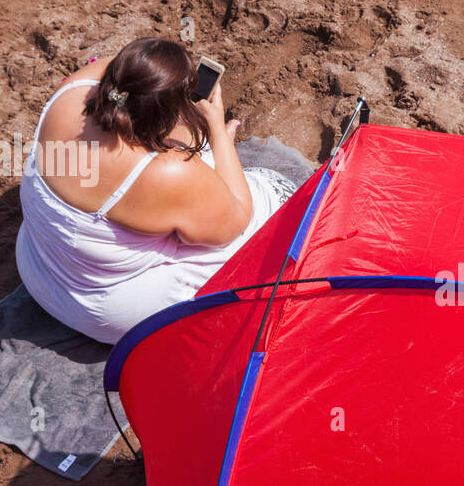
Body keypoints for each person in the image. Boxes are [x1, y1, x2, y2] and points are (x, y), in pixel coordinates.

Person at [15, 38, 298, 343]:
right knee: (267, 198)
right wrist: (217, 130)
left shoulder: (74, 88)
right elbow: (237, 219)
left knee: (194, 160)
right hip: (110, 315)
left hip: (39, 269)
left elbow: (121, 68)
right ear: (165, 114)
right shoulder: (167, 172)